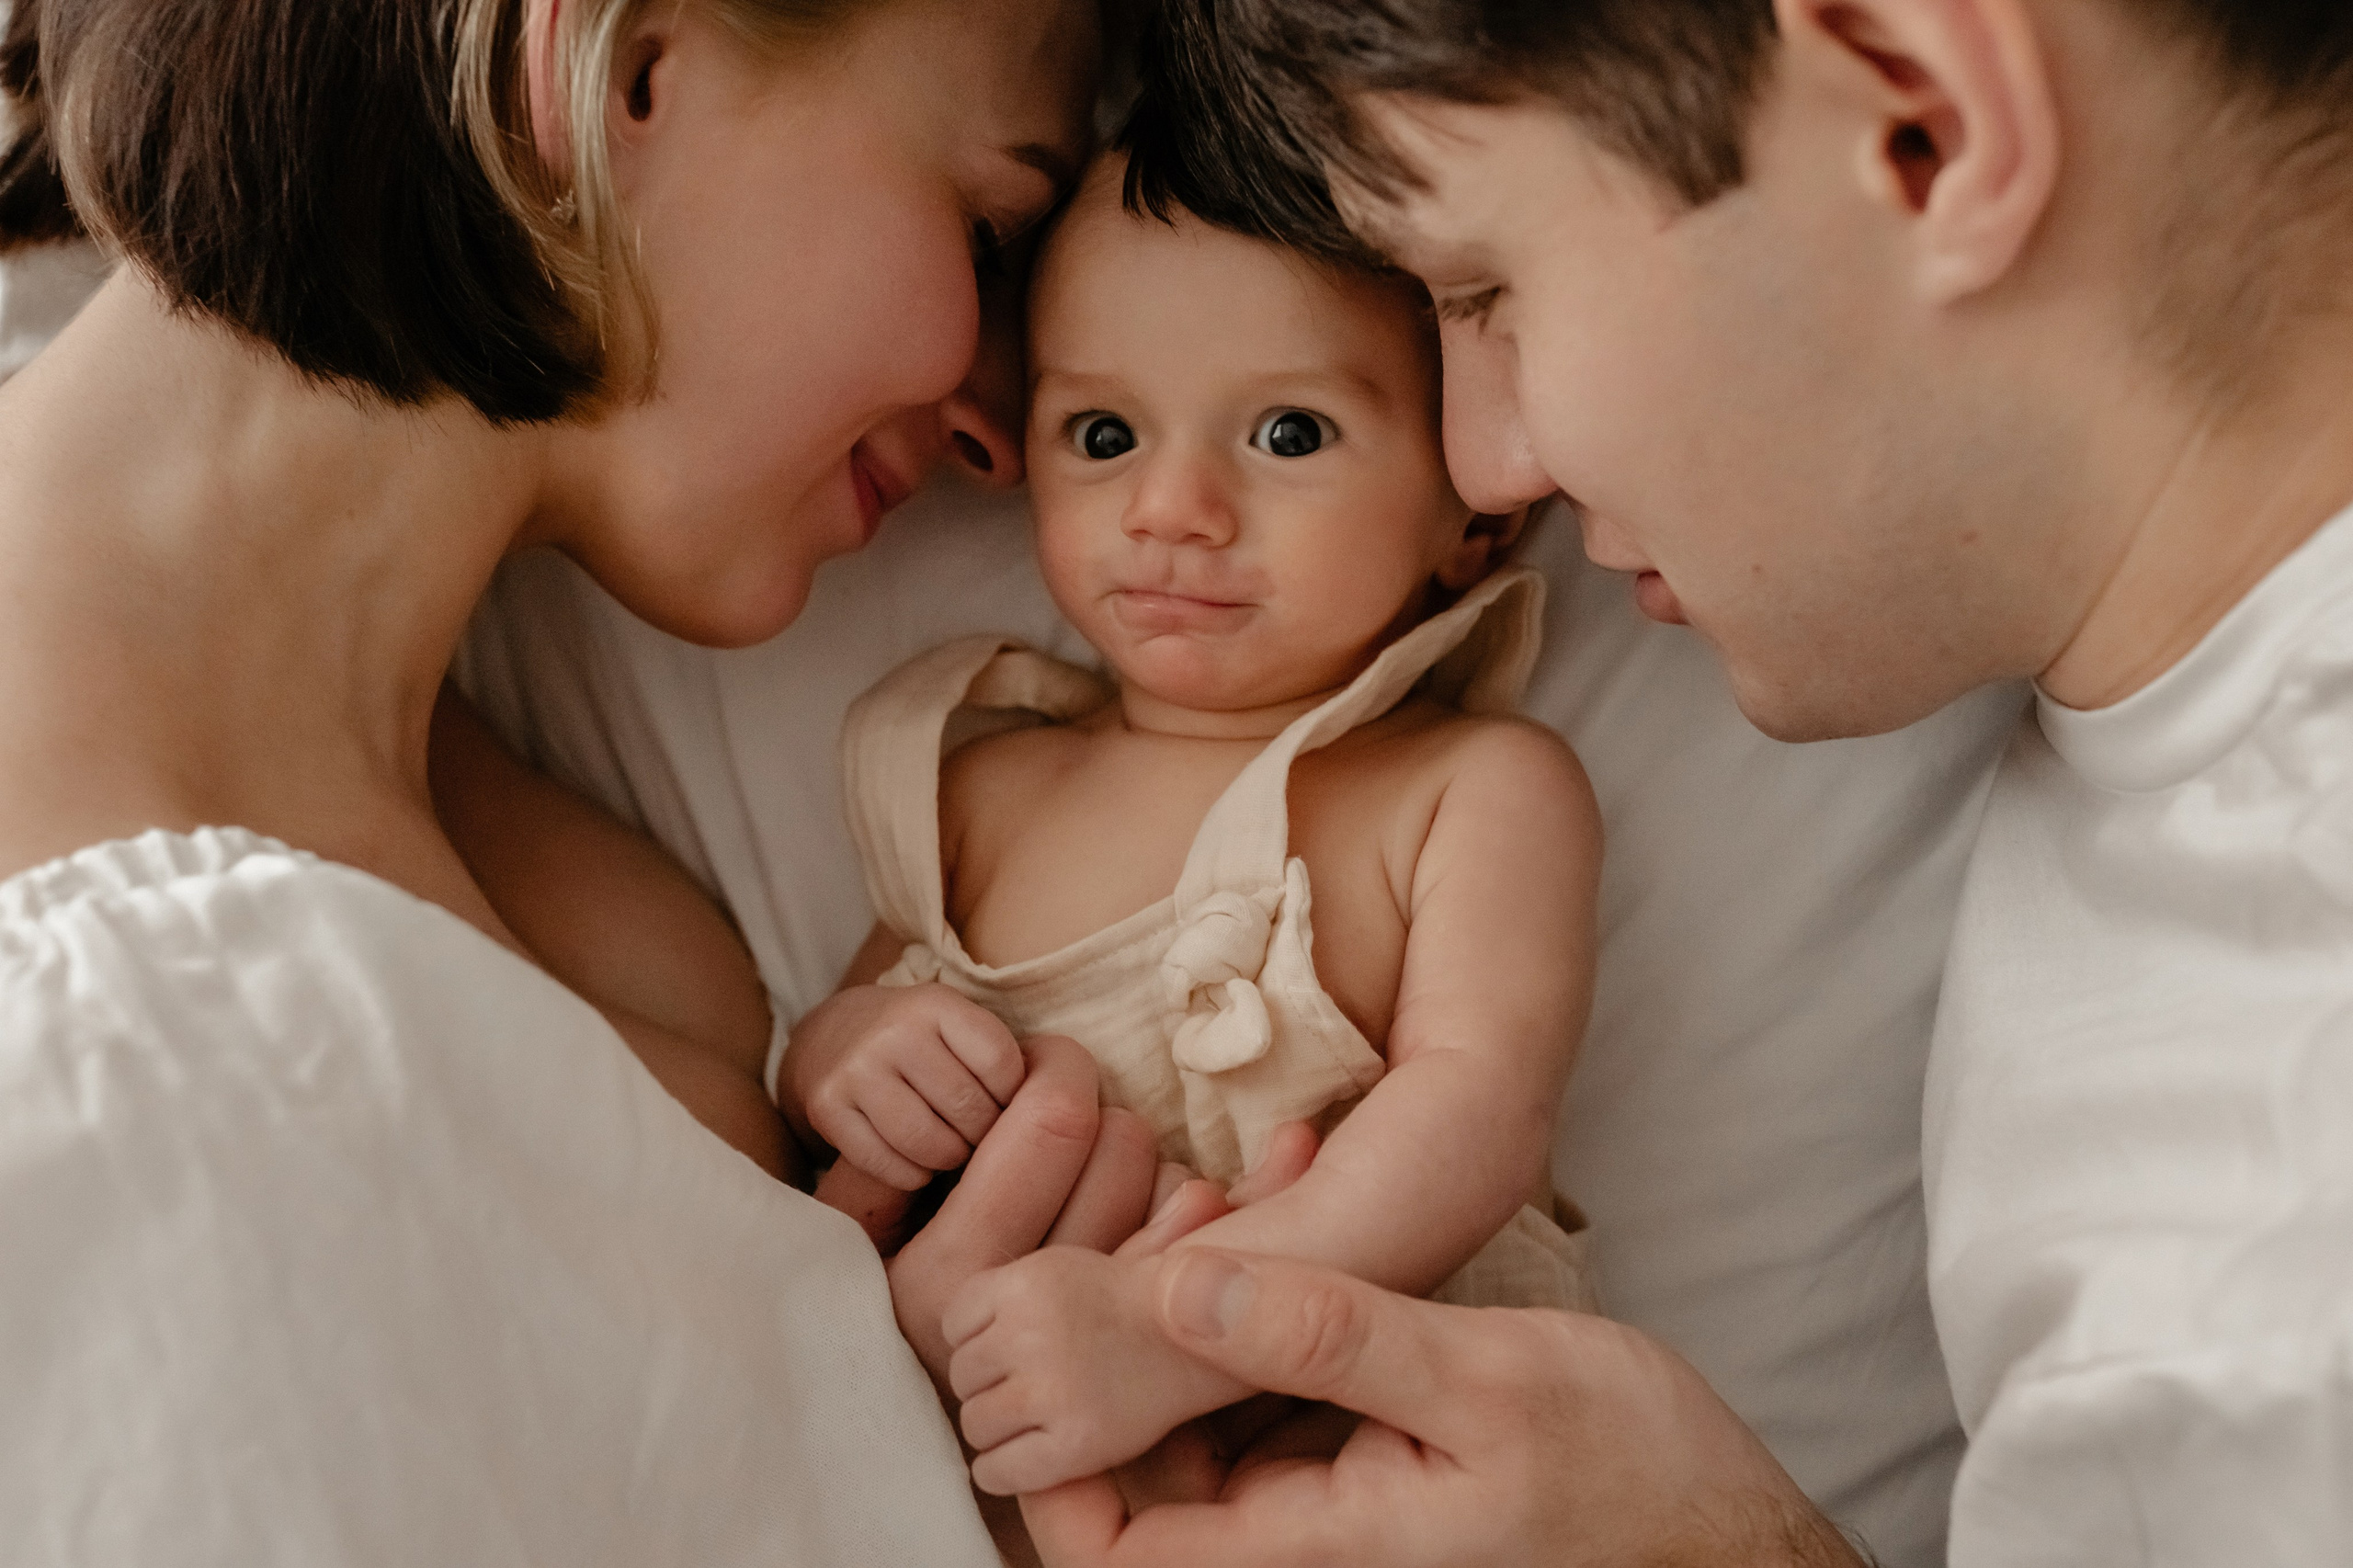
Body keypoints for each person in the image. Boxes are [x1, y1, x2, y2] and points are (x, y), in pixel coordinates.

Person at [1003, 0, 2353, 1562]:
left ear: (1924, 130)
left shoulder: (2268, 1276)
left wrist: (1718, 1542)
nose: (1488, 462)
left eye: (1485, 288)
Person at [0, 1, 1197, 1561]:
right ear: (626, 69)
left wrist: (913, 1465)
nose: (1001, 420)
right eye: (986, 227)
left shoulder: (675, 1012)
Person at [794, 143, 1597, 1494]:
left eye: (1289, 433)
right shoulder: (985, 791)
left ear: (1474, 522)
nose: (1172, 511)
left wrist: (1186, 1328)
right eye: (1103, 436)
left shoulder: (1469, 789)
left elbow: (1477, 1114)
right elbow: (838, 1065)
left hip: (1383, 1462)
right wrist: (841, 1056)